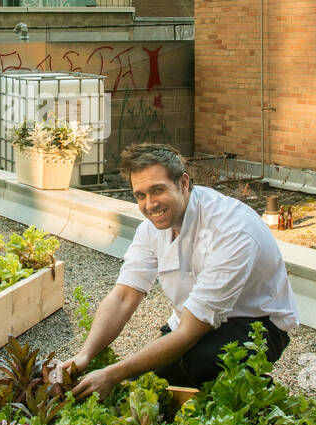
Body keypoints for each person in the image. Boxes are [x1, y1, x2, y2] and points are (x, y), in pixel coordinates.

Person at [68, 143, 299, 399]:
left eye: (158, 190)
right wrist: (84, 355)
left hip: (256, 322)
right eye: (140, 195)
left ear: (184, 183)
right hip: (192, 319)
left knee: (201, 364)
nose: (150, 204)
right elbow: (123, 297)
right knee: (148, 383)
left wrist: (113, 373)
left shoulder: (231, 230)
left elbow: (190, 331)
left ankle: (259, 398)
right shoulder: (151, 229)